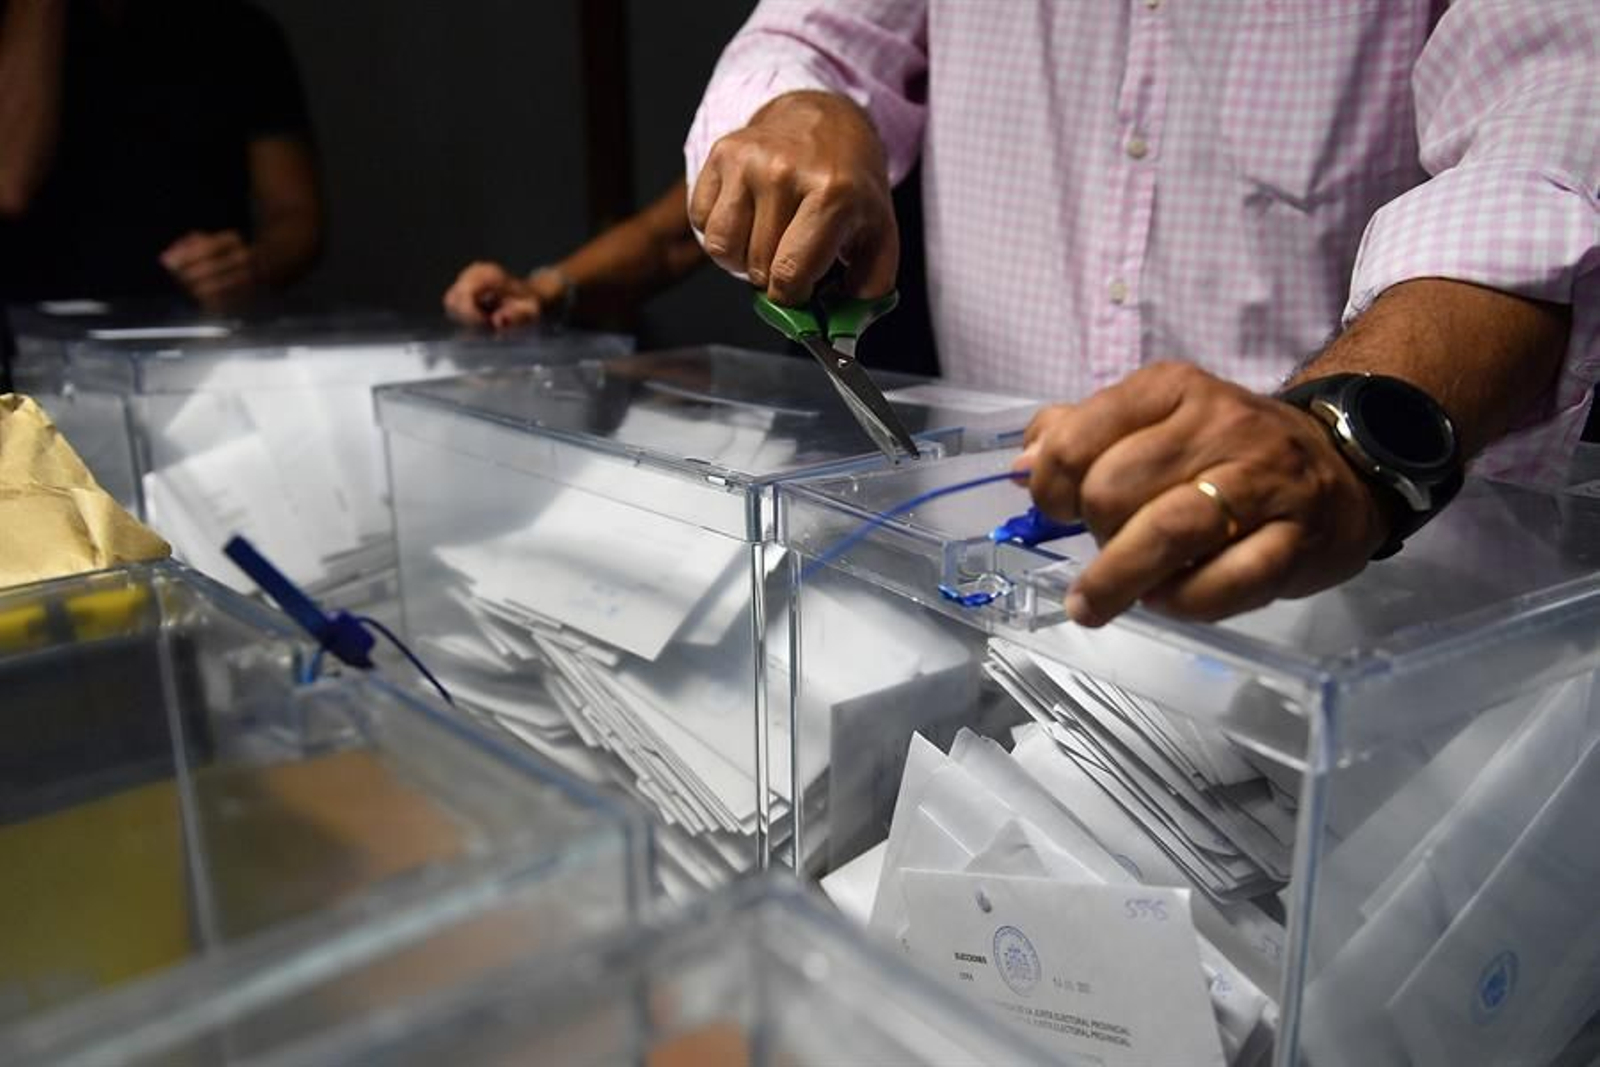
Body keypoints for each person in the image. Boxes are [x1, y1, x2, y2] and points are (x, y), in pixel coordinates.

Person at [684, 1, 1597, 626]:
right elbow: (817, 35)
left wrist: (1349, 439)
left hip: (1342, 597)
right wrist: (802, 106)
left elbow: (1549, 139)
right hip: (986, 586)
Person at [0, 0, 322, 313]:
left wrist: (250, 266)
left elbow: (297, 218)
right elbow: (7, 183)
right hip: (30, 340)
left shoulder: (240, 32)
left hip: (193, 337)